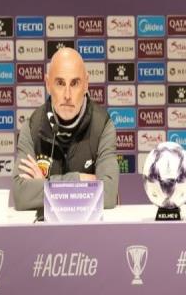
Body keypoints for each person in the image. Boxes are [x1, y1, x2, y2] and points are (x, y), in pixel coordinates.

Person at [12, 47, 119, 210]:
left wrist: (46, 185)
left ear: (86, 84)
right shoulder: (32, 127)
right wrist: (80, 179)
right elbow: (22, 196)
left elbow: (108, 194)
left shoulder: (102, 126)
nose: (67, 95)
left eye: (75, 83)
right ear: (48, 84)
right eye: (60, 83)